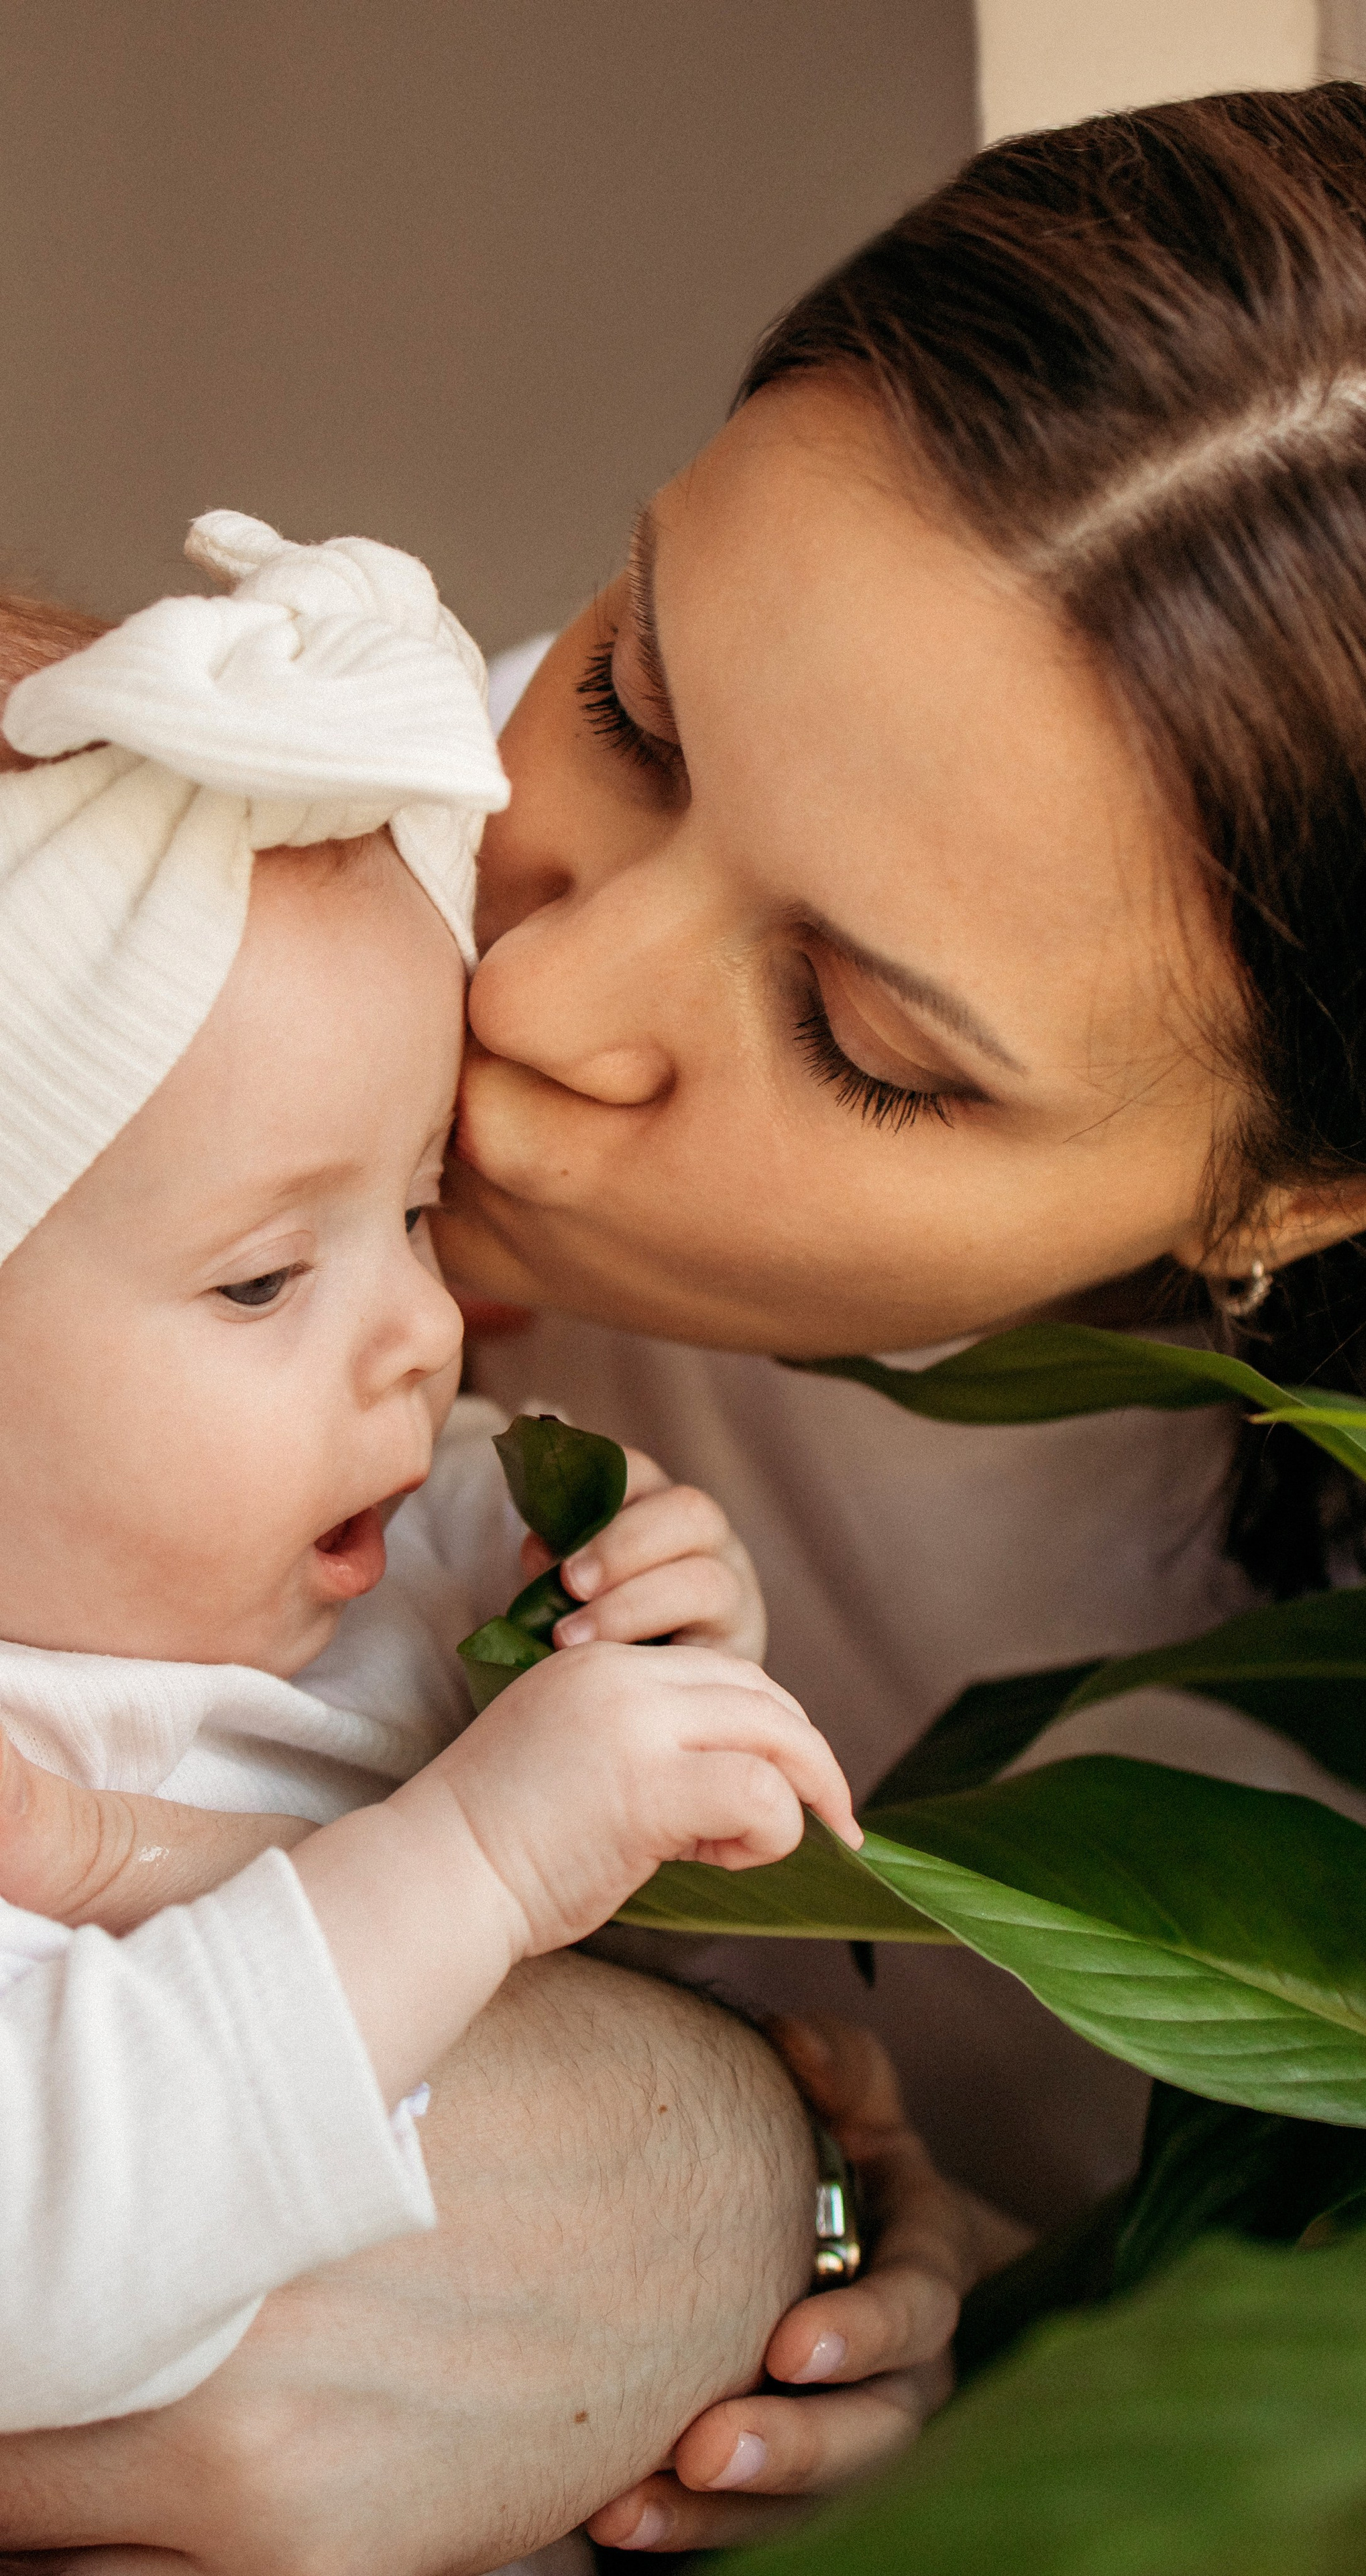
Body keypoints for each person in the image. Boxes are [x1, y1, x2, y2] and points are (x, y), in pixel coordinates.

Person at [1, 76, 1366, 2571]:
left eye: (866, 1045)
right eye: (635, 700)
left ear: (1297, 1194)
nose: (547, 984)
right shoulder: (252, 889)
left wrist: (833, 2265)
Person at [0, 513, 857, 2493]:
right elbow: (43, 2244)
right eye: (258, 1279)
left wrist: (645, 1633)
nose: (424, 1330)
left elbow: (719, 2009)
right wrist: (474, 1860)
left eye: (405, 1210)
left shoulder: (397, 1548)